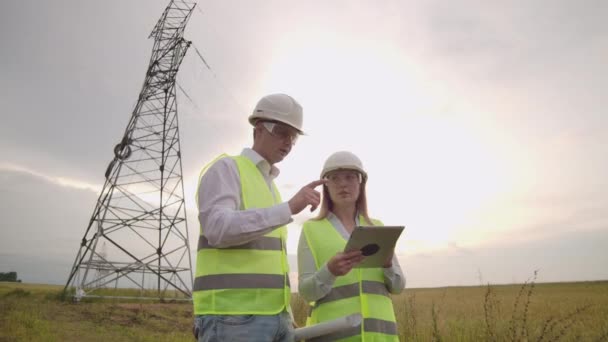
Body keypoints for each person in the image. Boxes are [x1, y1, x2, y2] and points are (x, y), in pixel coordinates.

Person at [192, 93, 326, 342]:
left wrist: (283, 315)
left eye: (293, 136)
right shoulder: (227, 169)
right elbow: (217, 228)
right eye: (281, 132)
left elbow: (267, 261)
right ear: (258, 130)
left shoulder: (270, 188)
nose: (288, 142)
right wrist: (288, 208)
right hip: (231, 318)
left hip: (274, 319)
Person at [298, 151, 405, 341]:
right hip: (333, 336)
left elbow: (397, 287)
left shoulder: (378, 228)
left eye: (350, 177)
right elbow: (307, 293)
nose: (343, 184)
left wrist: (388, 265)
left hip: (380, 336)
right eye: (335, 178)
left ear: (360, 183)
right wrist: (329, 271)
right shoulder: (311, 230)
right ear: (326, 186)